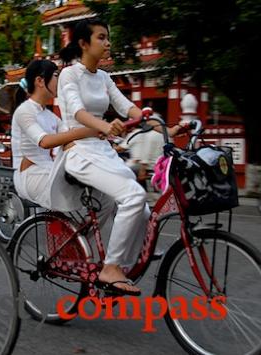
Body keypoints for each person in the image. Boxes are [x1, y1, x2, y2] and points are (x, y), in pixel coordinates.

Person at [57, 18, 183, 295]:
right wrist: (103, 126)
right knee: (134, 196)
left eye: (107, 38)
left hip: (102, 150)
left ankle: (123, 265)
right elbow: (77, 112)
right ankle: (110, 268)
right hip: (79, 151)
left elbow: (128, 108)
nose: (107, 43)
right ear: (83, 43)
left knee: (144, 210)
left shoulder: (103, 77)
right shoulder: (70, 75)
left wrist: (163, 127)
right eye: (101, 38)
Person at [11, 59, 96, 211]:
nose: (59, 80)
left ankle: (82, 234)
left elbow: (68, 134)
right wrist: (87, 131)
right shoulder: (24, 111)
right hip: (29, 176)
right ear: (40, 81)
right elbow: (44, 141)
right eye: (56, 75)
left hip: (47, 169)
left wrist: (96, 135)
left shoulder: (49, 116)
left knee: (98, 188)